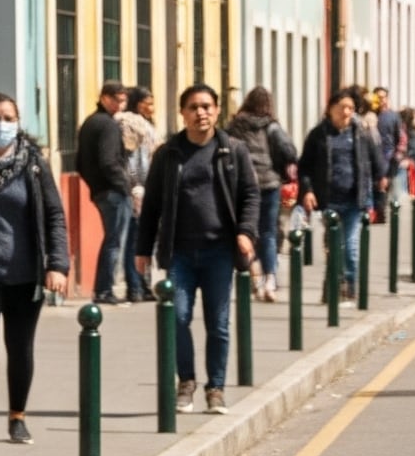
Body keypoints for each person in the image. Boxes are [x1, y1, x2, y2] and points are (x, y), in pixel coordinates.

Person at [0, 93, 69, 449]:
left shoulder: (33, 165)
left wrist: (58, 265)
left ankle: (17, 417)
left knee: (20, 348)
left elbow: (54, 215)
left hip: (25, 272)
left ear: (18, 123)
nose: (1, 124)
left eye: (8, 117)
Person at [135, 84, 259, 414]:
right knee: (178, 317)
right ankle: (186, 382)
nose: (200, 112)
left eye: (206, 106)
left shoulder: (233, 151)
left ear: (217, 111)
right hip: (180, 253)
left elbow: (250, 195)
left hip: (219, 252)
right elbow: (151, 206)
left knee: (218, 323)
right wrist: (142, 249)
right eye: (193, 107)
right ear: (183, 113)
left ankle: (216, 388)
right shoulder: (169, 154)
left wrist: (246, 232)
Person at [299, 88, 388, 302]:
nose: (346, 112)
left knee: (350, 247)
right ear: (330, 109)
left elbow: (376, 161)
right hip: (329, 200)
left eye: (350, 108)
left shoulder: (361, 133)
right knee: (333, 247)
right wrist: (308, 191)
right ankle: (332, 289)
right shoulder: (318, 135)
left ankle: (350, 288)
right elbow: (304, 167)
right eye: (342, 108)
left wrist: (380, 180)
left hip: (354, 200)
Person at [225, 87, 297, 302]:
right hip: (269, 183)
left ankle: (254, 277)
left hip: (243, 185)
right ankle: (270, 280)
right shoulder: (271, 126)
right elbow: (289, 151)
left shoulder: (234, 126)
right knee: (268, 233)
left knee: (247, 232)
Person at [77, 81, 132, 303]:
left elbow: (80, 163)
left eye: (123, 100)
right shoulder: (107, 125)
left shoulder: (90, 123)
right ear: (104, 98)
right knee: (115, 241)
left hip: (100, 191)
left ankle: (103, 288)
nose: (120, 105)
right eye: (116, 100)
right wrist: (124, 186)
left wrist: (94, 185)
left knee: (111, 239)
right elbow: (109, 161)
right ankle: (104, 289)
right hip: (113, 192)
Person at [121, 88, 159, 300]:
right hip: (139, 188)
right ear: (137, 103)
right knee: (135, 240)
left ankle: (144, 283)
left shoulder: (146, 124)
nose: (151, 107)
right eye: (147, 103)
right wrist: (136, 183)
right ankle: (135, 286)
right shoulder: (132, 124)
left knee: (146, 239)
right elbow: (133, 160)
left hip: (148, 187)